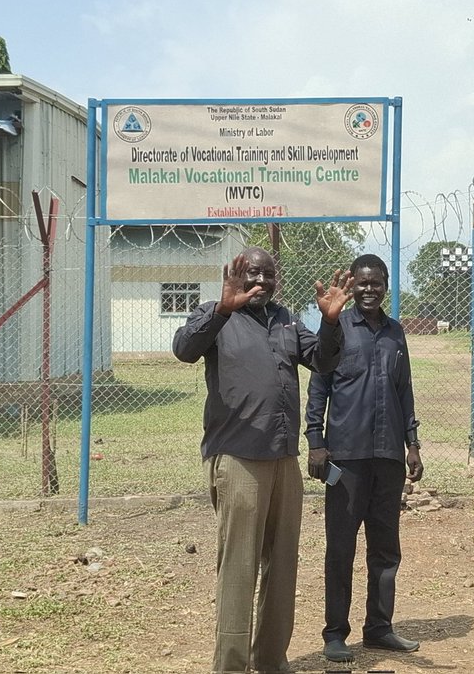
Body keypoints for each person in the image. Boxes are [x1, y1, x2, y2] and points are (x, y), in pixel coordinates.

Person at [172, 247, 353, 674]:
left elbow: (324, 360)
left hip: (282, 459)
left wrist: (330, 322)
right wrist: (221, 307)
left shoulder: (286, 319)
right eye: (252, 273)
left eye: (268, 274)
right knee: (239, 566)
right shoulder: (216, 315)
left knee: (283, 561)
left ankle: (271, 659)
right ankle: (231, 666)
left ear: (278, 280)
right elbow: (184, 348)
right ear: (235, 274)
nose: (260, 281)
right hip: (238, 458)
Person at [304, 254, 424, 663]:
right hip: (345, 461)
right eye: (363, 283)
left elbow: (404, 389)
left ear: (387, 286)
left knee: (386, 549)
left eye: (377, 283)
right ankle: (335, 633)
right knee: (340, 548)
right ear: (352, 286)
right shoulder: (337, 329)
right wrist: (315, 441)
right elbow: (319, 385)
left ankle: (379, 628)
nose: (370, 289)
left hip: (387, 458)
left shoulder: (395, 333)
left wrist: (412, 444)